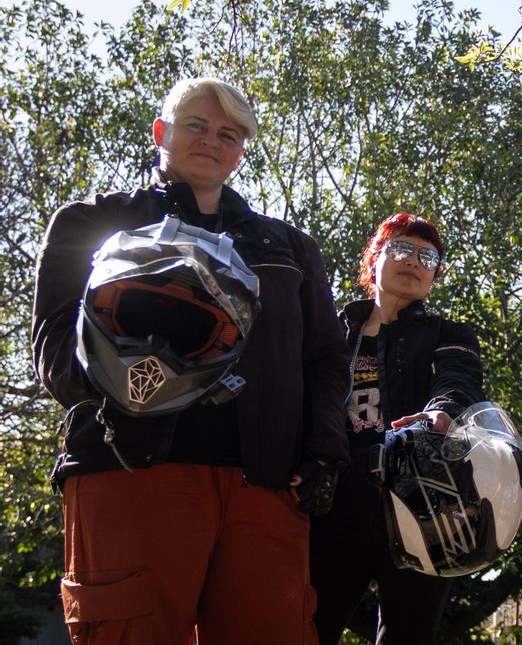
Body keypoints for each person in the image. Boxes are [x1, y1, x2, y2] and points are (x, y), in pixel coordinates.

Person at [31, 77, 350, 643]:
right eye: (197, 126)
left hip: (267, 487)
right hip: (131, 471)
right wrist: (121, 408)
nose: (211, 141)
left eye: (228, 133)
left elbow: (326, 357)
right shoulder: (90, 222)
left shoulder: (289, 248)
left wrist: (325, 453)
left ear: (241, 152)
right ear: (162, 132)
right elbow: (55, 344)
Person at [309, 212, 483, 645]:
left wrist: (441, 412)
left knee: (408, 635)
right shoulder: (332, 332)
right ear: (374, 260)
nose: (414, 262)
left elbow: (458, 380)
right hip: (334, 500)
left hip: (422, 501)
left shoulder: (449, 333)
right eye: (401, 249)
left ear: (435, 275)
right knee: (307, 627)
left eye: (428, 257)